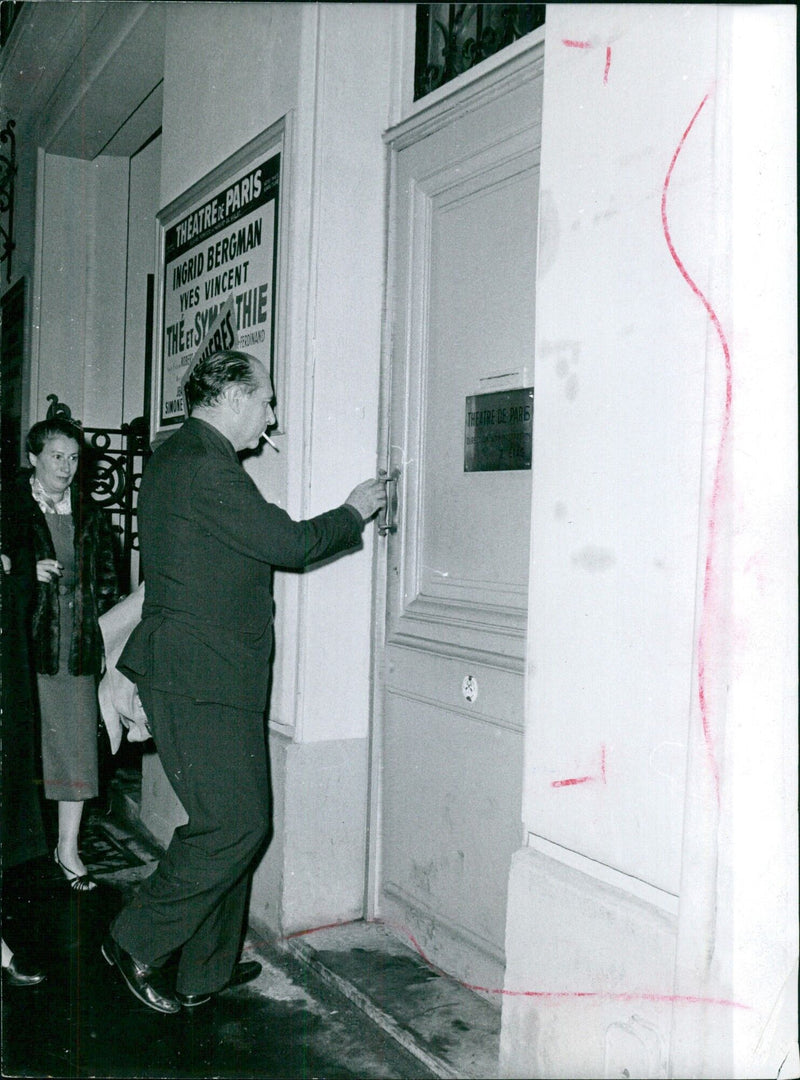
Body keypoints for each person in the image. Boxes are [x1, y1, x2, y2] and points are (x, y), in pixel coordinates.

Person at [103, 349, 386, 1014]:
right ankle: (135, 940)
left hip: (204, 674)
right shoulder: (206, 465)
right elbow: (288, 544)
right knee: (237, 825)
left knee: (232, 821)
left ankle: (205, 971)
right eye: (265, 400)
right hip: (202, 678)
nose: (271, 415)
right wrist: (354, 511)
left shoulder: (178, 456)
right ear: (232, 397)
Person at [9, 417, 119, 891]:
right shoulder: (10, 508)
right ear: (33, 458)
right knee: (20, 755)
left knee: (76, 753)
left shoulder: (90, 516)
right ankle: (17, 850)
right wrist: (24, 573)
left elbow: (110, 585)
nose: (67, 467)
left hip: (75, 651)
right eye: (57, 456)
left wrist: (104, 644)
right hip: (23, 649)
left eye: (74, 458)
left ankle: (67, 848)